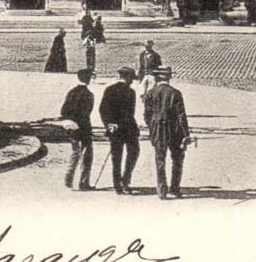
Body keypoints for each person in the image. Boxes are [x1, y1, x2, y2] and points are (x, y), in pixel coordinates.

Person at [143, 66, 191, 199]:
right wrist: (186, 134)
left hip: (158, 129)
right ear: (169, 77)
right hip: (175, 130)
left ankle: (162, 190)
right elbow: (181, 115)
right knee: (177, 159)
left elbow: (147, 115)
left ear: (157, 77)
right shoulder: (175, 93)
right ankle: (175, 188)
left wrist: (152, 127)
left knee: (160, 159)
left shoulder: (151, 93)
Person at [99, 66, 140, 194]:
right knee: (133, 153)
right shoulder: (131, 92)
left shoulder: (109, 90)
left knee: (116, 158)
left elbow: (102, 109)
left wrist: (109, 124)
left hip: (115, 130)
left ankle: (117, 185)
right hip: (128, 129)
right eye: (131, 79)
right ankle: (125, 180)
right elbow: (130, 113)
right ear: (126, 77)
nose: (132, 81)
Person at [60, 68, 96, 191]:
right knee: (87, 155)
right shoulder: (89, 94)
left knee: (75, 152)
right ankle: (84, 183)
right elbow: (86, 113)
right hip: (84, 127)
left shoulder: (71, 92)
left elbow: (63, 110)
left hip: (71, 126)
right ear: (89, 78)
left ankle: (68, 179)